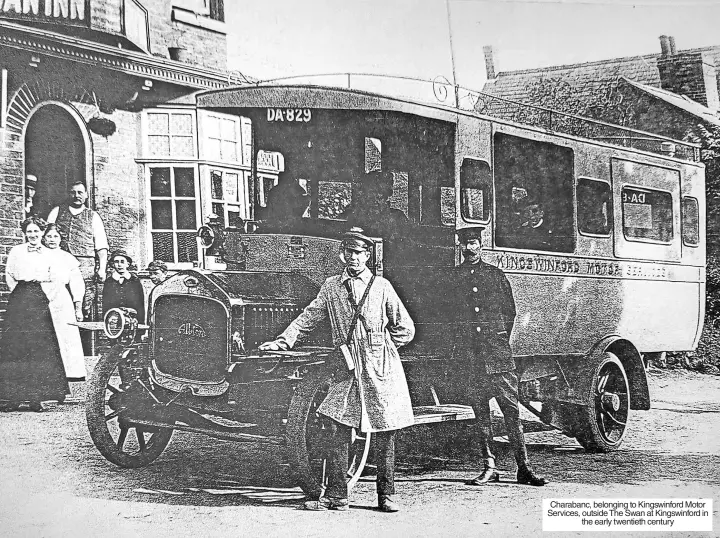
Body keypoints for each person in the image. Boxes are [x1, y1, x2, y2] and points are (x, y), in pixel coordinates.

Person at [259, 227, 415, 512]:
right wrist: (283, 341)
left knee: (386, 430)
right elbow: (309, 317)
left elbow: (405, 328)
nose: (353, 258)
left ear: (367, 256)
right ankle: (338, 496)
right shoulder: (331, 286)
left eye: (359, 253)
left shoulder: (382, 287)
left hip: (381, 369)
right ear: (342, 254)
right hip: (347, 368)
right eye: (349, 252)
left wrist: (383, 347)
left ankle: (386, 495)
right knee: (335, 426)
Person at [454, 227, 547, 487]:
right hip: (472, 359)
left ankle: (524, 468)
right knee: (481, 415)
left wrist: (497, 341)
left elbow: (510, 313)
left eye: (473, 243)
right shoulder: (455, 277)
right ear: (460, 246)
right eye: (464, 244)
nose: (469, 248)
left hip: (498, 358)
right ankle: (489, 466)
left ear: (480, 245)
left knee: (511, 415)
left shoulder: (495, 275)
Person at [0, 217, 68, 412]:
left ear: (42, 233)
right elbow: (9, 275)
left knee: (38, 347)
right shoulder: (16, 252)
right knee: (16, 346)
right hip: (19, 299)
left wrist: (44, 298)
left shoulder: (49, 254)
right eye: (29, 232)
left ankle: (35, 398)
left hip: (38, 298)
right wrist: (21, 293)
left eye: (36, 232)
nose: (32, 235)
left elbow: (56, 280)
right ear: (24, 233)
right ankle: (13, 398)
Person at [47, 181, 109, 322]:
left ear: (86, 195)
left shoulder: (93, 216)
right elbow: (46, 237)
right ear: (68, 194)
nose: (76, 195)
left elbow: (101, 245)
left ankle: (84, 340)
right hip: (60, 262)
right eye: (73, 192)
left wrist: (102, 269)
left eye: (80, 192)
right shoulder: (56, 212)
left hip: (85, 266)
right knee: (59, 298)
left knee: (84, 303)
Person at [42, 224, 86, 380]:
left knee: (66, 333)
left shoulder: (67, 257)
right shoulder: (38, 255)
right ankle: (47, 373)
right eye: (49, 236)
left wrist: (78, 307)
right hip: (41, 296)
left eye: (55, 236)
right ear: (43, 237)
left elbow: (77, 283)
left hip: (61, 297)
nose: (52, 239)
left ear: (60, 239)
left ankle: (72, 372)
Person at [102, 250, 146, 326]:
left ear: (127, 264)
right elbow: (105, 305)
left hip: (132, 321)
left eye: (122, 262)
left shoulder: (135, 281)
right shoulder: (109, 282)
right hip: (114, 322)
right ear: (112, 264)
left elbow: (140, 305)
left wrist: (140, 325)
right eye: (116, 262)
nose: (119, 265)